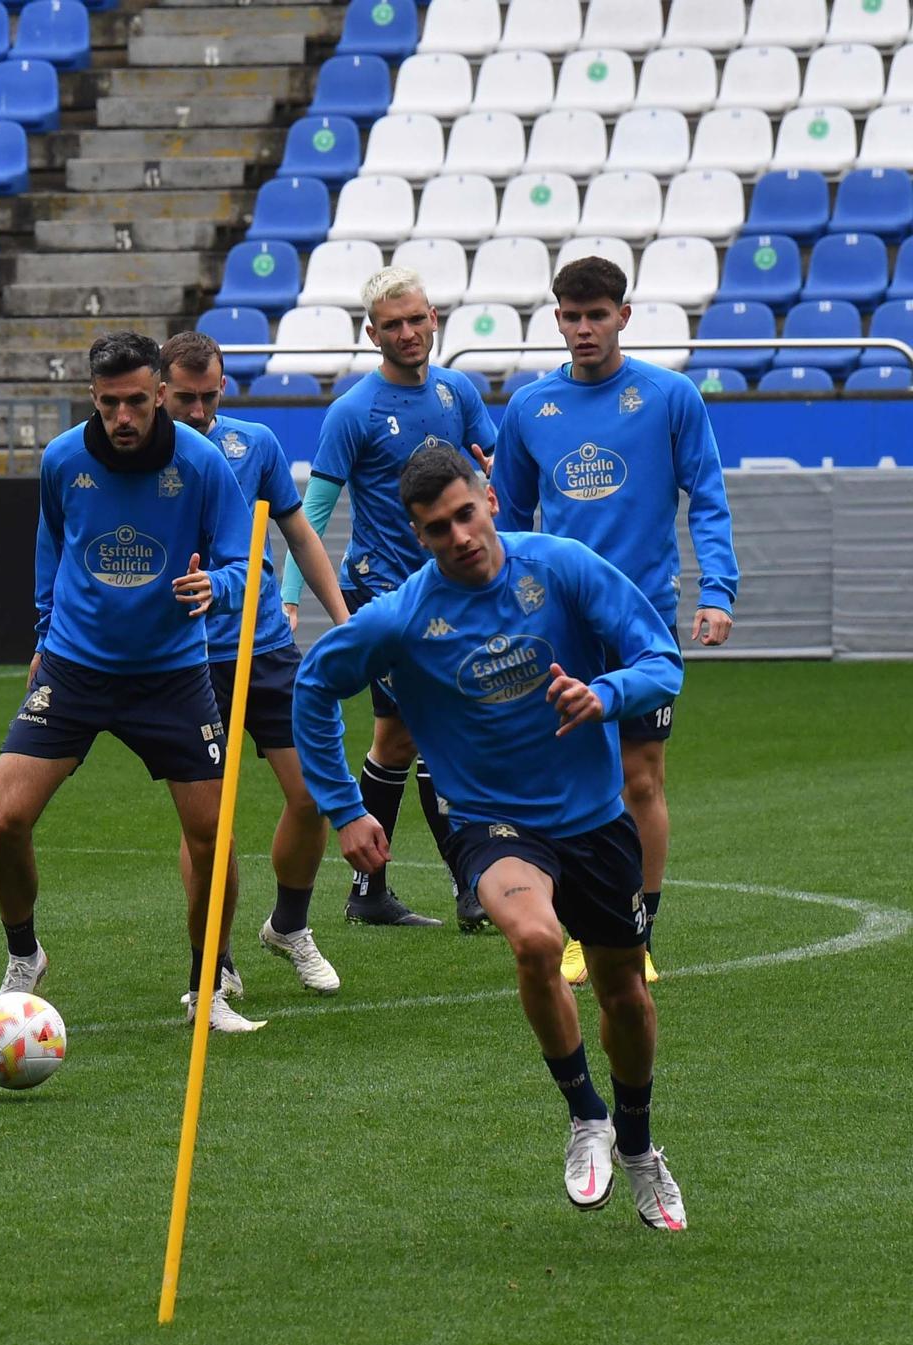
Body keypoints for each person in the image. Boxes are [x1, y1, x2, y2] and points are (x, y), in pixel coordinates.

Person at [294, 444, 688, 1230]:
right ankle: (585, 1114)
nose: (459, 537)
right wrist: (345, 810)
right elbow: (312, 687)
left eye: (466, 515)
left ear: (491, 502)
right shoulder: (403, 616)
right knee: (536, 941)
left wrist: (605, 694)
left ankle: (639, 1146)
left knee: (626, 997)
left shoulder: (564, 567)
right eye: (437, 529)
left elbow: (662, 661)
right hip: (491, 826)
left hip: (595, 820)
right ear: (418, 536)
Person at [0, 332, 259, 1032]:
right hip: (76, 668)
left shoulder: (201, 464)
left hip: (172, 675)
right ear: (93, 399)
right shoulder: (63, 460)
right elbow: (54, 545)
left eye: (137, 401)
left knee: (212, 835)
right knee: (4, 820)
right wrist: (45, 634)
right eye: (109, 404)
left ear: (162, 394)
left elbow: (242, 559)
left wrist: (217, 587)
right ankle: (25, 955)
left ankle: (209, 981)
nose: (124, 417)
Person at [492, 256, 739, 987]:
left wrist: (718, 591)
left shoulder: (670, 397)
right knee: (566, 779)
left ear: (623, 317)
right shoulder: (530, 409)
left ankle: (637, 932)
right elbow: (508, 520)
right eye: (570, 316)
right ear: (557, 318)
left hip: (644, 625)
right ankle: (576, 929)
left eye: (596, 315)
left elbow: (710, 497)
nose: (583, 329)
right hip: (559, 626)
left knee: (640, 780)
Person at [283, 267, 501, 932]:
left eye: (417, 320)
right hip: (386, 598)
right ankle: (471, 887)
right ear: (371, 332)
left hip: (454, 592)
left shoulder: (457, 392)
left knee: (397, 741)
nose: (407, 333)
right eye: (392, 325)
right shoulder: (353, 412)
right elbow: (312, 511)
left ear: (434, 318)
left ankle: (367, 892)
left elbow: (494, 471)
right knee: (438, 733)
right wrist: (291, 600)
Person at [157, 331, 351, 999]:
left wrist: (345, 622)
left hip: (265, 647)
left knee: (313, 793)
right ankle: (215, 959)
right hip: (184, 660)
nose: (201, 410)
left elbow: (299, 533)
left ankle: (288, 926)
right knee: (208, 822)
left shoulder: (254, 445)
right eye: (186, 398)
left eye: (211, 395)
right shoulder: (137, 459)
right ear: (159, 391)